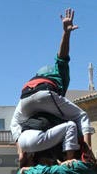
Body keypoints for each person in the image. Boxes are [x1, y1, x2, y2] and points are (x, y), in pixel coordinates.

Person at [10, 8, 90, 157]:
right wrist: (66, 33)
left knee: (14, 124)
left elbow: (16, 126)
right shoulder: (59, 72)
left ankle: (21, 153)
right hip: (44, 92)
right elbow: (62, 55)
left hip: (25, 96)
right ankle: (86, 153)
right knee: (81, 116)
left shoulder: (37, 75)